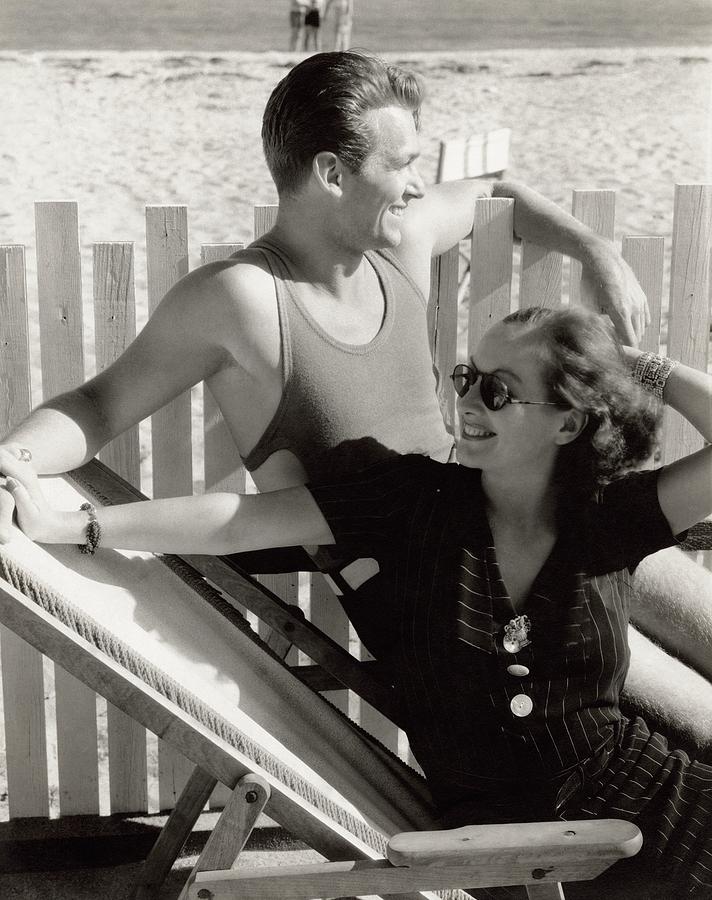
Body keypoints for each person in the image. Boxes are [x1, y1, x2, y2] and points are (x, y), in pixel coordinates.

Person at [0, 51, 697, 759]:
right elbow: (99, 402)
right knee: (698, 723)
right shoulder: (244, 301)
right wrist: (11, 465)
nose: (418, 186)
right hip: (454, 609)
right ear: (332, 174)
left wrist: (595, 250)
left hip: (527, 521)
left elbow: (495, 189)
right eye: (400, 167)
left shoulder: (398, 242)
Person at [4, 307, 711, 896]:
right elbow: (241, 520)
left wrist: (636, 365)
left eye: (498, 390)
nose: (466, 402)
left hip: (657, 810)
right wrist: (77, 526)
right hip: (560, 857)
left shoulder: (608, 517)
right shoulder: (414, 502)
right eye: (467, 377)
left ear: (567, 423)